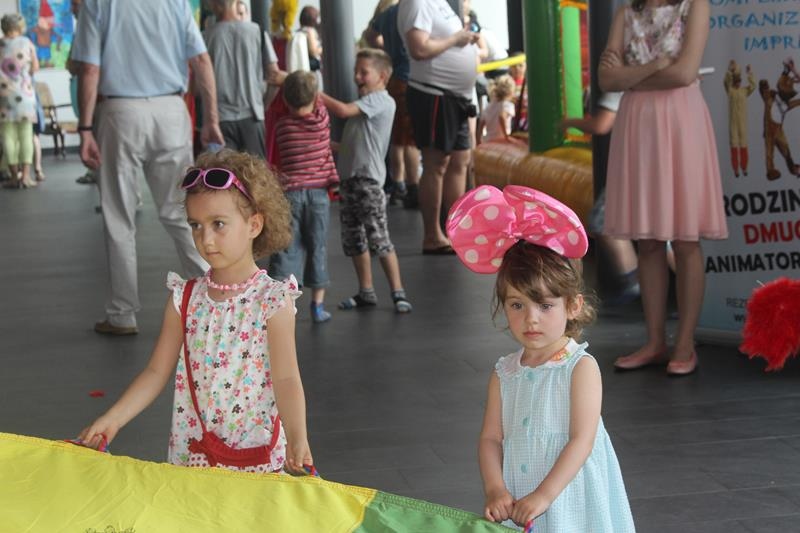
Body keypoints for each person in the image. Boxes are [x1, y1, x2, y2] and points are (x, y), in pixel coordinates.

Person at [78, 149, 313, 475]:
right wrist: (113, 419)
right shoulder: (184, 299)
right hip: (195, 455)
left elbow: (286, 378)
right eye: (196, 225)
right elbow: (155, 372)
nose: (206, 239)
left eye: (219, 224)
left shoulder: (272, 301)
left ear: (254, 224)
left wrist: (298, 437)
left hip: (257, 457)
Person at [446, 185, 635, 532]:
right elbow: (490, 439)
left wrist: (544, 496)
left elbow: (582, 440)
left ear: (573, 305)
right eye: (517, 305)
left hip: (570, 496)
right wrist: (495, 488)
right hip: (520, 496)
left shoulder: (579, 367)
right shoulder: (505, 373)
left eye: (545, 305)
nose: (530, 319)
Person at [72, 0, 224, 335]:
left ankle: (122, 314)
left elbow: (90, 69)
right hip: (171, 110)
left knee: (119, 219)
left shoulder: (97, 4)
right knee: (182, 213)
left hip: (120, 113)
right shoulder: (176, 3)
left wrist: (85, 129)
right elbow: (201, 60)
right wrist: (212, 119)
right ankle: (215, 302)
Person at [599, 0, 728, 376]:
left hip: (680, 120)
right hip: (638, 124)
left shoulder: (693, 4)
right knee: (649, 241)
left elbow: (685, 73)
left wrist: (630, 75)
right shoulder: (627, 12)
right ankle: (655, 341)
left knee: (686, 240)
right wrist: (657, 66)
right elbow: (607, 81)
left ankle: (684, 344)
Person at [319, 48, 413, 314]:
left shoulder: (380, 100)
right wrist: (325, 144)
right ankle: (366, 291)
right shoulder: (364, 106)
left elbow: (341, 110)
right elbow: (352, 146)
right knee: (355, 239)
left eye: (364, 72)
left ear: (382, 76)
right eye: (356, 72)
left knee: (378, 238)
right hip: (350, 181)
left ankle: (398, 292)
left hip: (367, 182)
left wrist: (313, 92)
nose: (357, 77)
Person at [398, 0, 479, 255]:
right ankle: (433, 235)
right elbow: (419, 48)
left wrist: (464, 40)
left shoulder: (439, 4)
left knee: (460, 161)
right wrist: (456, 39)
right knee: (436, 163)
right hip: (433, 93)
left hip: (456, 96)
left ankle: (454, 232)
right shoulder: (418, 3)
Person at [270, 71, 338, 323]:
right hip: (318, 195)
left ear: (286, 100)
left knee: (287, 246)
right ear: (314, 98)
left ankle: (284, 303)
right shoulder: (321, 121)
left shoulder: (282, 127)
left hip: (290, 195)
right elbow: (319, 102)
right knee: (317, 246)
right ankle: (317, 306)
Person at [561, 92, 641, 307]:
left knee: (602, 220)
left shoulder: (619, 88)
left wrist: (569, 122)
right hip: (645, 163)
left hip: (633, 167)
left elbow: (601, 124)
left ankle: (633, 280)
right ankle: (633, 279)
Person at [204, 0, 281, 158]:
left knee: (224, 171)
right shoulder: (257, 31)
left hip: (220, 119)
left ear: (214, 5)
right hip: (253, 115)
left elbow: (199, 85)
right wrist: (264, 104)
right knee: (256, 171)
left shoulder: (206, 36)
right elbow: (274, 75)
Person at [366, 0, 421, 209]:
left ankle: (398, 186)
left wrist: (384, 50)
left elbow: (369, 35)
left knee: (397, 137)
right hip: (410, 77)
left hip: (393, 78)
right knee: (411, 139)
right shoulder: (410, 10)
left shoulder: (386, 14)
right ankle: (413, 187)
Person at [0, 13, 39, 190]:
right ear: (19, 27)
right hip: (25, 94)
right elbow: (35, 68)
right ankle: (26, 177)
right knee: (26, 135)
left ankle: (14, 177)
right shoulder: (27, 43)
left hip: (3, 95)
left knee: (8, 135)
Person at [723, 60, 756, 177]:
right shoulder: (730, 91)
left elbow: (753, 86)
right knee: (734, 146)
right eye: (736, 81)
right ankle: (736, 169)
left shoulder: (744, 91)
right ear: (733, 81)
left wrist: (749, 73)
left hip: (742, 124)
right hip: (733, 124)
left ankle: (744, 167)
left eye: (739, 81)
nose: (738, 83)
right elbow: (726, 82)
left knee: (743, 146)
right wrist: (729, 71)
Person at [479, 75, 518, 143]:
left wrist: (478, 140)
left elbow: (481, 123)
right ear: (511, 92)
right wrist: (506, 136)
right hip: (501, 140)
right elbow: (501, 116)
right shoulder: (508, 105)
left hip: (489, 140)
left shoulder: (489, 106)